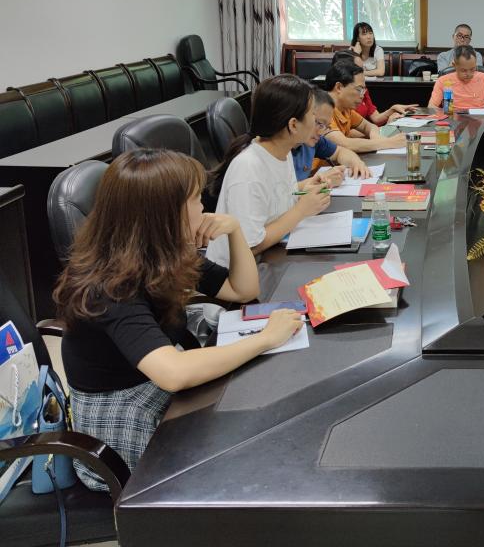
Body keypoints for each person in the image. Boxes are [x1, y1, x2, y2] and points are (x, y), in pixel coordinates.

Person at [54, 149, 303, 491]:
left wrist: (233, 230)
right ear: (165, 214)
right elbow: (173, 373)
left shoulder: (159, 251)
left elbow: (243, 290)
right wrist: (264, 339)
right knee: (247, 463)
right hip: (123, 415)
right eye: (197, 199)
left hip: (155, 385)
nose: (204, 207)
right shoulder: (110, 285)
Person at [205, 74, 333, 267]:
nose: (317, 122)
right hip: (236, 274)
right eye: (313, 115)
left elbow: (277, 200)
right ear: (293, 125)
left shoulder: (283, 151)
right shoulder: (248, 169)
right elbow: (250, 246)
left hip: (272, 257)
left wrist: (303, 191)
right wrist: (301, 210)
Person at [322, 61, 406, 152]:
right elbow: (345, 144)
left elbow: (369, 126)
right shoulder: (322, 109)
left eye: (363, 90)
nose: (362, 96)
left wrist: (376, 137)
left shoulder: (345, 109)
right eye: (359, 89)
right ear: (339, 87)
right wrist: (389, 143)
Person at [292, 88, 370, 182]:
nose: (321, 132)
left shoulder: (313, 140)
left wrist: (356, 163)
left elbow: (340, 152)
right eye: (319, 123)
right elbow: (283, 189)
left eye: (326, 126)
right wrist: (319, 180)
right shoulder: (283, 148)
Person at [331, 51, 415, 126]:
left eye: (362, 69)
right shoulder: (337, 105)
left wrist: (393, 109)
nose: (362, 72)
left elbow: (374, 120)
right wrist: (387, 127)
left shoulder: (362, 89)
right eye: (358, 69)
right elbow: (350, 134)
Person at [428, 45, 484, 112]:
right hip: (452, 119)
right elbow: (432, 107)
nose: (469, 74)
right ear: (454, 65)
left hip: (480, 119)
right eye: (463, 70)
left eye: (472, 69)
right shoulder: (444, 81)